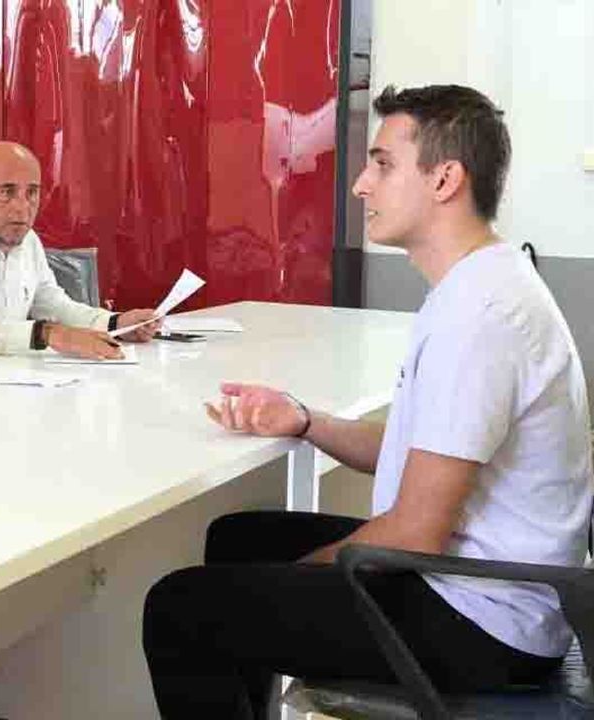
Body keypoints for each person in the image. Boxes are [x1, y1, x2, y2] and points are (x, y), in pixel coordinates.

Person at [142, 84, 592, 717]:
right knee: (239, 539)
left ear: (445, 180)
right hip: (483, 583)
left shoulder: (481, 316)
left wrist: (300, 579)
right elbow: (428, 452)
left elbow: (415, 532)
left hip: (486, 622)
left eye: (382, 164)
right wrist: (306, 421)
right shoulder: (479, 284)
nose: (360, 185)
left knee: (180, 610)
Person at [0, 141, 161, 358]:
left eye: (32, 193)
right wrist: (46, 334)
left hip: (6, 381)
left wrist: (116, 323)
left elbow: (54, 305)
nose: (22, 207)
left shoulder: (29, 241)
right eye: (7, 192)